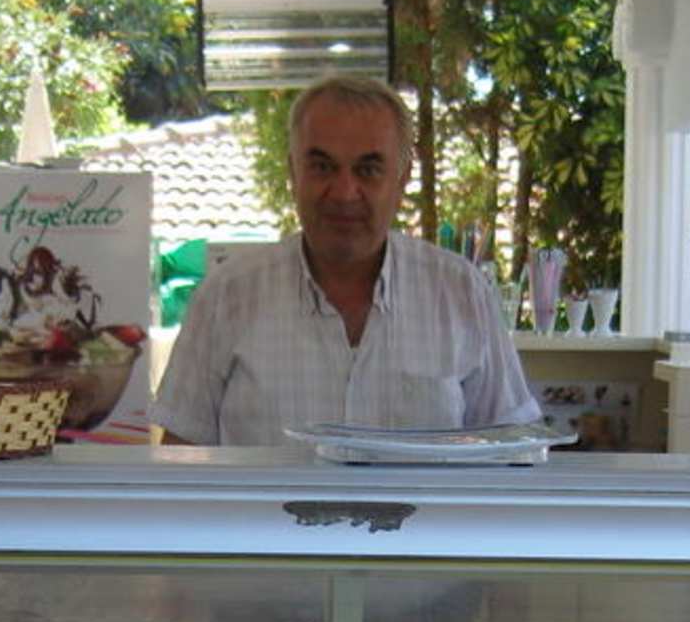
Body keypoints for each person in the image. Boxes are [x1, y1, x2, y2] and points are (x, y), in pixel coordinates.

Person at [153, 74, 539, 445]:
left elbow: (513, 452)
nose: (344, 192)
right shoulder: (225, 296)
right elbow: (181, 461)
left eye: (368, 170)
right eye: (322, 167)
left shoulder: (461, 293)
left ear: (402, 178)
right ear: (293, 172)